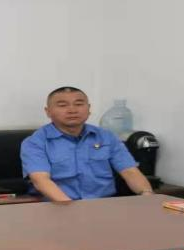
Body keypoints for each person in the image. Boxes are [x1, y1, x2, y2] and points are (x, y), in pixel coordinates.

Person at [21, 86, 154, 201]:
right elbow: (41, 181)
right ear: (48, 111)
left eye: (79, 104)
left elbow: (130, 171)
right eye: (62, 105)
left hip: (104, 205)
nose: (72, 110)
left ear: (89, 108)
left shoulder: (106, 137)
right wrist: (73, 210)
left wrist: (147, 195)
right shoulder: (35, 142)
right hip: (58, 206)